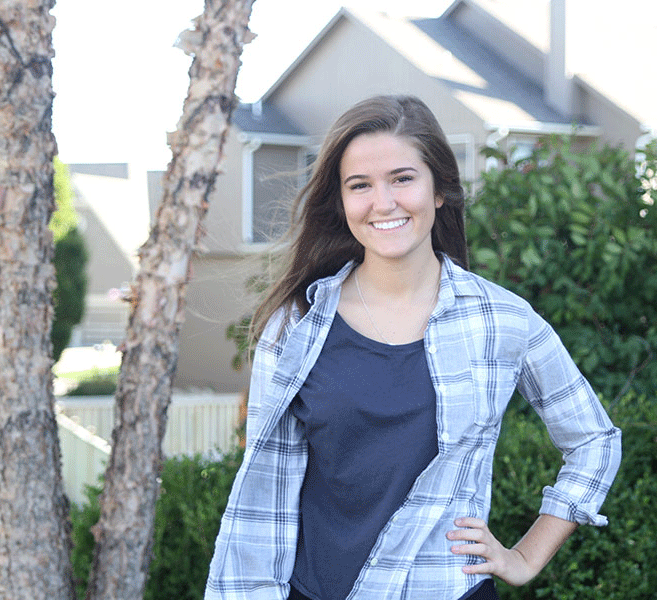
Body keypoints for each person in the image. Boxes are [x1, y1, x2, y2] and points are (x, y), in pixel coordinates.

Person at [205, 95, 621, 600]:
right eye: (360, 185)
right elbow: (265, 495)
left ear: (439, 189)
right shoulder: (295, 326)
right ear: (341, 201)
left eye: (402, 178)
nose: (383, 202)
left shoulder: (502, 321)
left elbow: (594, 441)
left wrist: (526, 556)